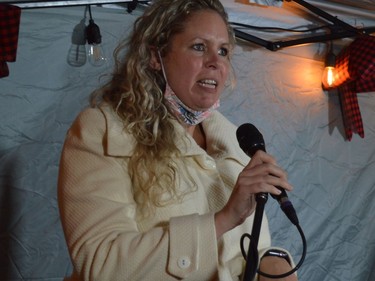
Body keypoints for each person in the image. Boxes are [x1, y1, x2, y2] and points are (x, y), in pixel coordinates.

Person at [58, 0, 298, 280]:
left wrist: (273, 262)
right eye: (199, 46)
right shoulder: (101, 130)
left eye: (223, 51)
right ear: (155, 57)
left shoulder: (236, 140)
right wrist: (222, 220)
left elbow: (244, 249)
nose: (215, 62)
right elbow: (101, 265)